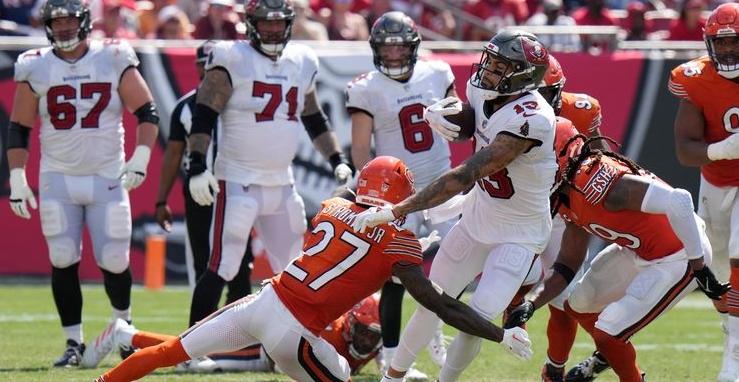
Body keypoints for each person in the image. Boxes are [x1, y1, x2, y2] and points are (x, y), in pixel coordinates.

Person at [92, 156, 532, 382]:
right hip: (296, 330)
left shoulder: (333, 206)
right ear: (400, 195)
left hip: (262, 300)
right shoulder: (399, 242)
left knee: (170, 354)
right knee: (339, 374)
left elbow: (354, 229)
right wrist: (498, 333)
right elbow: (438, 304)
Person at [355, 29, 556, 382]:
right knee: (432, 302)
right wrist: (450, 118)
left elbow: (466, 173)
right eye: (489, 61)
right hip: (479, 216)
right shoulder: (483, 89)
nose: (488, 70)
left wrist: (399, 209)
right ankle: (393, 377)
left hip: (518, 234)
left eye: (499, 66)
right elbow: (476, 124)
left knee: (476, 319)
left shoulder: (533, 117)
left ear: (523, 76)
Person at [183, 0, 354, 335]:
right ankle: (190, 344)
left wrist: (337, 158)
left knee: (295, 267)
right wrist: (197, 164)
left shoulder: (302, 59)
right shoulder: (232, 56)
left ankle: (294, 341)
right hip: (238, 179)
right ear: (251, 23)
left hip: (282, 182)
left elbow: (313, 116)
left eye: (280, 24)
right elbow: (204, 114)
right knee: (224, 265)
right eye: (267, 23)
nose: (274, 30)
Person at [504, 122, 728, 382]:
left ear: (561, 159)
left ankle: (623, 364)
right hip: (640, 252)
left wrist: (699, 266)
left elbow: (680, 200)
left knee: (608, 333)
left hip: (678, 254)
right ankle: (609, 353)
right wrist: (530, 304)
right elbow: (566, 264)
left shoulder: (595, 180)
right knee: (579, 304)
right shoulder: (567, 193)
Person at [6, 0, 158, 367]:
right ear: (46, 26)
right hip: (58, 178)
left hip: (106, 175)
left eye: (69, 19)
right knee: (62, 257)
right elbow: (19, 127)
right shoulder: (36, 64)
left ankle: (124, 329)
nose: (63, 27)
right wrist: (16, 177)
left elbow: (147, 112)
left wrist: (140, 156)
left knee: (114, 258)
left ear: (85, 20)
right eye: (56, 21)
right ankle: (73, 342)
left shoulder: (112, 56)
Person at [346, 11, 456, 376]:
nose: (393, 55)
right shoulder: (367, 86)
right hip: (397, 190)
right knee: (394, 274)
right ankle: (390, 357)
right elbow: (361, 147)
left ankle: (436, 332)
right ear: (376, 49)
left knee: (447, 268)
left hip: (442, 183)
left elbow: (461, 120)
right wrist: (370, 191)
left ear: (413, 47)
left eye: (399, 47)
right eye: (386, 48)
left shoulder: (438, 73)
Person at [526, 54, 608, 382]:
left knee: (565, 300)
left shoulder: (582, 110)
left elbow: (601, 156)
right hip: (522, 210)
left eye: (544, 95)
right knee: (514, 284)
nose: (536, 104)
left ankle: (555, 370)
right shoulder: (508, 112)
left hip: (564, 211)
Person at [669, 1, 739, 382]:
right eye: (720, 43)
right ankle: (733, 333)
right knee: (720, 270)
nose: (727, 50)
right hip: (716, 180)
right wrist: (723, 149)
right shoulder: (694, 77)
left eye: (734, 42)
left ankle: (734, 361)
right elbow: (684, 149)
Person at [153, 40, 252, 298]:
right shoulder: (185, 107)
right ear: (198, 67)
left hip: (237, 186)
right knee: (202, 261)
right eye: (206, 64)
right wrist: (161, 200)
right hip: (201, 190)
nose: (211, 69)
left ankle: (238, 329)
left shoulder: (244, 99)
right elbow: (174, 154)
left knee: (240, 263)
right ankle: (203, 327)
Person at [84, 294, 385, 374]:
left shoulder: (375, 343)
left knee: (189, 355)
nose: (366, 341)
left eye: (373, 336)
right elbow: (289, 360)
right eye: (363, 333)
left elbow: (386, 357)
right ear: (350, 324)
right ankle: (126, 335)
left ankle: (127, 335)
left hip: (271, 346)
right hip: (266, 347)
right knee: (192, 359)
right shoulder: (332, 330)